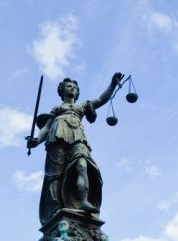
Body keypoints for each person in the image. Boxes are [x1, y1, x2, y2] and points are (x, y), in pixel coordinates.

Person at [27, 72, 124, 224]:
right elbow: (46, 128)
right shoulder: (57, 109)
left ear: (77, 92)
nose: (72, 88)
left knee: (82, 165)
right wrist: (36, 140)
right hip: (57, 137)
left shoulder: (81, 107)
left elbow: (101, 99)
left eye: (74, 87)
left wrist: (112, 84)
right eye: (68, 86)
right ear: (62, 90)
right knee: (56, 175)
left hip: (78, 137)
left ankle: (83, 201)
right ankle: (56, 208)